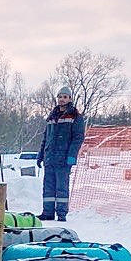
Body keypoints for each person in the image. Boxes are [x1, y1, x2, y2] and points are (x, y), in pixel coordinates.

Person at [37, 85, 85, 222]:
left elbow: (78, 138)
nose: (61, 99)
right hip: (49, 159)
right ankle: (48, 212)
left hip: (63, 160)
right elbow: (46, 138)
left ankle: (62, 214)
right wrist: (40, 155)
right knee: (48, 187)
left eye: (64, 97)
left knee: (61, 188)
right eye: (59, 97)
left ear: (70, 98)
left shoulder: (75, 116)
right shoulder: (52, 117)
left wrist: (71, 156)